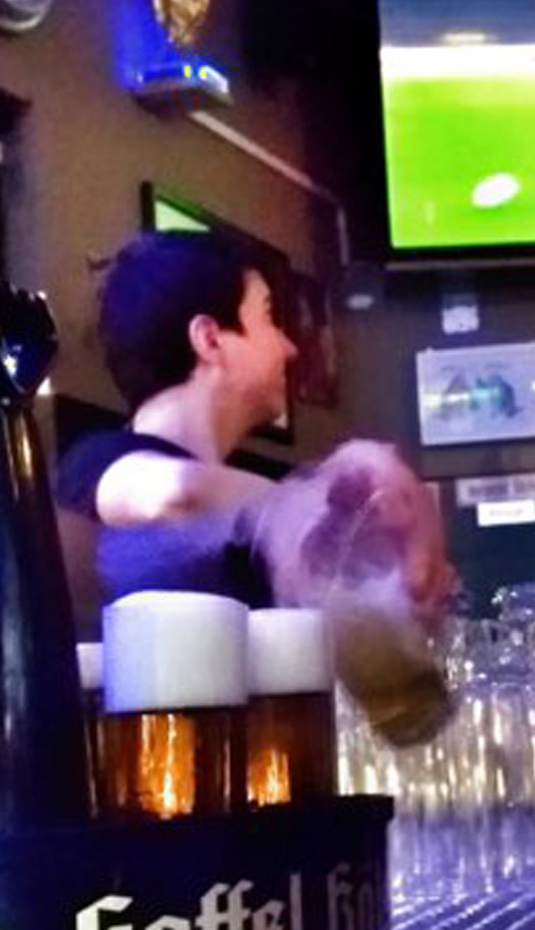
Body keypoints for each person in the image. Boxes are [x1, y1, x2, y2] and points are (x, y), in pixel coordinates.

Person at [54, 232, 455, 728]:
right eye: (267, 317)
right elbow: (169, 494)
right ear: (210, 339)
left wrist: (397, 611)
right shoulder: (97, 463)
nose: (288, 347)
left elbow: (397, 711)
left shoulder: (250, 526)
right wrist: (317, 496)